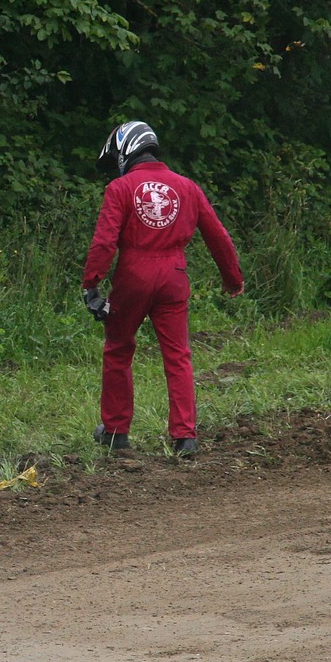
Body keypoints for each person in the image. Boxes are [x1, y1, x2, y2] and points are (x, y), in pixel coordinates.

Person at [81, 121, 244, 457]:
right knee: (177, 355)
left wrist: (92, 284)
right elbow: (218, 237)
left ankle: (115, 432)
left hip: (133, 274)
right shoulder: (187, 187)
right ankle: (185, 437)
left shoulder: (121, 188)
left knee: (118, 348)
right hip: (174, 274)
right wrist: (233, 280)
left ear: (126, 150)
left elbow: (105, 241)